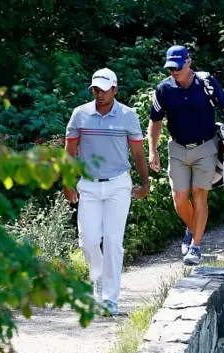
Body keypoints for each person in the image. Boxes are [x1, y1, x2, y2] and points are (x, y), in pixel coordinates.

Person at [63, 68, 150, 316]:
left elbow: (137, 153)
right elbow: (69, 153)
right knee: (88, 241)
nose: (98, 94)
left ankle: (109, 299)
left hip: (118, 184)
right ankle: (98, 285)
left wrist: (145, 183)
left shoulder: (128, 116)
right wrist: (66, 183)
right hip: (88, 185)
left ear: (114, 89)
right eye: (94, 89)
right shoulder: (79, 115)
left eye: (103, 89)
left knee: (113, 241)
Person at [147, 45, 224, 265]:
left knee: (200, 194)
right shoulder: (164, 89)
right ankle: (192, 228)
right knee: (179, 199)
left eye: (177, 67)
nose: (173, 72)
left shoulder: (206, 83)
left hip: (206, 146)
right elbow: (155, 121)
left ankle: (196, 246)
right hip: (177, 148)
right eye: (170, 68)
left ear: (188, 62)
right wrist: (152, 151)